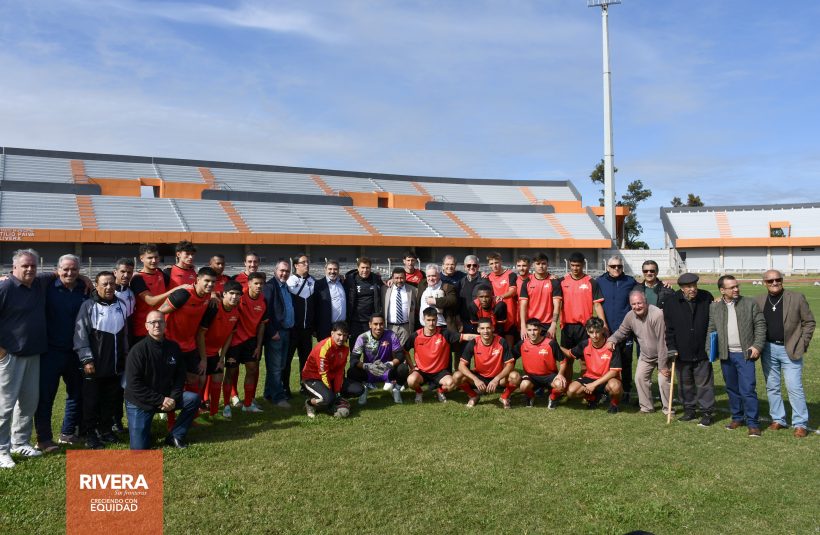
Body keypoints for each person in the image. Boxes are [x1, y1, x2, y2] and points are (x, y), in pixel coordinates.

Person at [34, 254, 87, 453]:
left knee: (76, 394)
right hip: (50, 352)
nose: (69, 273)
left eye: (74, 269)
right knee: (46, 397)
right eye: (65, 269)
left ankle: (67, 433)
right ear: (57, 270)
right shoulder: (46, 287)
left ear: (79, 271)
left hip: (75, 352)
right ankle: (44, 439)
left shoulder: (85, 289)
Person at [0, 249, 48, 468]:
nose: (30, 269)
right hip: (10, 356)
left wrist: (84, 277)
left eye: (33, 266)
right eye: (25, 266)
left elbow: (60, 273)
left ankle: (20, 443)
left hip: (33, 353)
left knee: (28, 403)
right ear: (14, 268)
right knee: (4, 406)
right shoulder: (5, 287)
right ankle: (1, 450)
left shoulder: (38, 283)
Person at [124, 311, 199, 449]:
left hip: (166, 396)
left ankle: (175, 435)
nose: (157, 325)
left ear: (165, 325)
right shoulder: (137, 351)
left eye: (160, 321)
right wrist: (160, 400)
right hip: (140, 401)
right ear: (146, 326)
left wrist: (173, 398)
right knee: (139, 450)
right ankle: (144, 433)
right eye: (153, 322)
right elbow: (134, 385)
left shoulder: (174, 347)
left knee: (193, 399)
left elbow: (180, 376)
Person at [74, 271, 132, 449]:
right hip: (95, 364)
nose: (108, 287)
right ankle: (90, 434)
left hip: (115, 364)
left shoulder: (121, 304)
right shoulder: (88, 305)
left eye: (111, 284)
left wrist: (126, 356)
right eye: (104, 284)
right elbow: (80, 334)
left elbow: (124, 334)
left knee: (110, 399)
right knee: (91, 401)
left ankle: (105, 430)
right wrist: (86, 359)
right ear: (96, 286)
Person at [754, 270, 815, 438]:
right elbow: (741, 307)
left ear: (782, 280)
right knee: (772, 386)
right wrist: (719, 299)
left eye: (778, 279)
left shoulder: (796, 297)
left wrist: (803, 343)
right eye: (770, 280)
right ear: (764, 283)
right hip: (768, 349)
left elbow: (809, 322)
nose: (774, 283)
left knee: (794, 387)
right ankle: (778, 419)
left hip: (791, 349)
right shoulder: (758, 300)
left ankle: (800, 423)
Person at [708, 275, 766, 437]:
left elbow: (760, 325)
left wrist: (757, 346)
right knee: (732, 389)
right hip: (726, 355)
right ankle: (737, 417)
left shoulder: (749, 303)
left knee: (747, 389)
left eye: (737, 286)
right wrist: (710, 350)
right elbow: (711, 328)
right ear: (722, 290)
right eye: (732, 287)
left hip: (745, 355)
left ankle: (753, 423)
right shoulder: (715, 307)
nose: (736, 289)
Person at [663, 273, 716, 427]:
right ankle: (689, 410)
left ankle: (707, 412)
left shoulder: (706, 297)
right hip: (681, 351)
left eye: (694, 285)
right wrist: (671, 347)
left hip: (702, 350)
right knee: (685, 383)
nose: (692, 289)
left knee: (704, 384)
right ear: (681, 288)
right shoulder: (671, 302)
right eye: (688, 287)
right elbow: (669, 329)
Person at [607, 291, 671, 415]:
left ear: (646, 302)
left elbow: (662, 341)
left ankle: (668, 410)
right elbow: (622, 331)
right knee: (640, 378)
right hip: (646, 355)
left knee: (663, 380)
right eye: (634, 304)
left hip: (663, 354)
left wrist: (663, 366)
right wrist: (612, 339)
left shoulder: (657, 314)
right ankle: (647, 408)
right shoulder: (630, 316)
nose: (637, 306)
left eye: (639, 303)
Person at [158, 267, 217, 398]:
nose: (210, 284)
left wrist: (214, 295)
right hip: (171, 344)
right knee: (169, 381)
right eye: (207, 281)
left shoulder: (208, 296)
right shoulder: (183, 294)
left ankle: (192, 410)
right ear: (197, 279)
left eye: (213, 282)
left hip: (189, 345)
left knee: (195, 379)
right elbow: (159, 312)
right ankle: (167, 408)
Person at [404, 307, 476, 403]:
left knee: (451, 383)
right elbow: (405, 350)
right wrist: (412, 367)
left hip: (440, 372)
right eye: (428, 320)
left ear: (437, 319)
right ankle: (419, 392)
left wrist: (482, 336)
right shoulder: (416, 335)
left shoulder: (444, 333)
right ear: (423, 319)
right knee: (411, 381)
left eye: (433, 320)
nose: (431, 323)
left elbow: (465, 336)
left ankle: (440, 391)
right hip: (422, 371)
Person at [196, 280, 242, 418]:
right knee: (200, 381)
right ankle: (194, 412)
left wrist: (222, 358)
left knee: (218, 378)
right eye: (231, 293)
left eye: (238, 294)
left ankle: (214, 412)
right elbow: (200, 333)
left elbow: (229, 336)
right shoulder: (214, 307)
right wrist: (203, 359)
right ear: (224, 294)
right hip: (200, 351)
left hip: (215, 353)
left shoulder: (236, 313)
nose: (234, 297)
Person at [559, 252, 606, 385]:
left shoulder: (591, 282)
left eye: (578, 265)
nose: (575, 268)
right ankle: (567, 387)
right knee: (567, 360)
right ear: (569, 265)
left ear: (583, 265)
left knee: (585, 361)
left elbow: (597, 305)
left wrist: (604, 325)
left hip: (585, 328)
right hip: (567, 327)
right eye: (573, 265)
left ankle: (584, 387)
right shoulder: (562, 281)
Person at [225, 272, 268, 414]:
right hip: (234, 341)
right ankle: (226, 406)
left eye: (261, 283)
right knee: (230, 372)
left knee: (252, 370)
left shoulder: (263, 300)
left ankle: (248, 404)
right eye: (256, 283)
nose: (259, 286)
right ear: (248, 284)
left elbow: (262, 325)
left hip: (251, 341)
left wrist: (258, 346)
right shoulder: (239, 295)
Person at [596, 255, 637, 403]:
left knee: (626, 362)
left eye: (619, 266)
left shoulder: (630, 281)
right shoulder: (599, 281)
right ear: (607, 267)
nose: (616, 269)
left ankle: (626, 391)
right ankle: (605, 391)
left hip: (625, 330)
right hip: (606, 330)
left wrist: (663, 284)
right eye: (613, 266)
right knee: (606, 363)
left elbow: (645, 287)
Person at [454, 317, 518, 408]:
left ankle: (505, 397)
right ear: (478, 330)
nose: (485, 331)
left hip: (499, 378)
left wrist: (496, 379)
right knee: (457, 376)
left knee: (515, 376)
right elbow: (461, 366)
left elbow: (510, 364)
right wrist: (475, 379)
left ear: (493, 328)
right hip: (480, 377)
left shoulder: (501, 341)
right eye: (482, 328)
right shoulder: (473, 343)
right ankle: (473, 395)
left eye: (488, 328)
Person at [563, 317, 622, 413]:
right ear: (587, 332)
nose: (594, 335)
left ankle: (614, 404)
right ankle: (594, 397)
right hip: (590, 377)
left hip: (607, 378)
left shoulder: (611, 345)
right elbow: (570, 354)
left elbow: (614, 372)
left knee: (615, 386)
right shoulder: (585, 344)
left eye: (597, 332)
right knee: (571, 392)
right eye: (591, 332)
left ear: (602, 330)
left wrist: (594, 384)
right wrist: (555, 345)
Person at [347, 314, 408, 405]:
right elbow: (353, 359)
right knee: (351, 371)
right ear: (370, 324)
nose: (378, 327)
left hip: (387, 370)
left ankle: (396, 389)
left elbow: (400, 355)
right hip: (369, 371)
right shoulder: (363, 337)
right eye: (375, 324)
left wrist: (389, 364)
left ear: (384, 324)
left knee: (403, 368)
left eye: (381, 324)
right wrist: (367, 366)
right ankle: (363, 389)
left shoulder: (391, 335)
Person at [130, 243, 180, 344]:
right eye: (150, 258)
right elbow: (151, 301)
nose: (154, 260)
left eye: (156, 257)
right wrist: (173, 290)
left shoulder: (161, 273)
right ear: (141, 258)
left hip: (160, 328)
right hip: (143, 330)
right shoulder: (138, 278)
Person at [302, 322, 353, 418]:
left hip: (329, 377)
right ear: (332, 333)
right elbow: (323, 374)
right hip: (312, 378)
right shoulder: (324, 347)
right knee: (328, 398)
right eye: (339, 334)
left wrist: (337, 392)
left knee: (357, 389)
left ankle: (328, 400)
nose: (341, 338)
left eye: (345, 335)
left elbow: (339, 372)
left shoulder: (345, 348)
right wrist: (331, 395)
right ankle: (309, 403)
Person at [513, 318, 567, 408]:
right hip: (531, 376)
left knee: (560, 385)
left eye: (535, 329)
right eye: (529, 330)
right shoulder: (522, 343)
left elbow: (563, 361)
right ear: (526, 331)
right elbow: (510, 358)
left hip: (549, 376)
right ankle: (531, 396)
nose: (532, 333)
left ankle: (552, 398)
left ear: (540, 330)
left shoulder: (551, 343)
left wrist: (560, 374)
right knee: (523, 386)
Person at [263, 261, 295, 405]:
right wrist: (272, 331)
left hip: (286, 331)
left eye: (287, 271)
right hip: (276, 332)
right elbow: (265, 311)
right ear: (275, 271)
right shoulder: (269, 287)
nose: (284, 273)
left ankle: (268, 393)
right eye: (282, 270)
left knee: (279, 365)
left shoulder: (285, 287)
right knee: (275, 367)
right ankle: (278, 397)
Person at [111, 258, 136, 433]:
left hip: (128, 346)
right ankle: (110, 421)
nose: (126, 275)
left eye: (129, 272)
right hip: (111, 347)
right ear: (115, 272)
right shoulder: (107, 291)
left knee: (125, 385)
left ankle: (118, 421)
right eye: (122, 272)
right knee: (112, 386)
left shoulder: (132, 293)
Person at [287, 254, 316, 392]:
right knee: (287, 360)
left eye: (307, 262)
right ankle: (285, 387)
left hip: (307, 330)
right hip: (292, 329)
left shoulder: (313, 281)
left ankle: (305, 387)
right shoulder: (289, 281)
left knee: (306, 361)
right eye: (303, 262)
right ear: (296, 265)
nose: (306, 264)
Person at [518, 252, 562, 341]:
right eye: (538, 264)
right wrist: (523, 326)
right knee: (530, 349)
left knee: (550, 349)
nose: (541, 266)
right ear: (533, 265)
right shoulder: (527, 282)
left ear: (547, 264)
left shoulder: (554, 281)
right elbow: (523, 305)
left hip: (548, 324)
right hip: (532, 324)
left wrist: (553, 325)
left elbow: (557, 305)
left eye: (543, 263)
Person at [344, 257, 384, 344]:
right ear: (358, 268)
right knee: (355, 348)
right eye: (362, 267)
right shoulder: (350, 280)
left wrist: (391, 279)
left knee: (371, 349)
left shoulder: (376, 279)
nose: (365, 270)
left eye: (367, 268)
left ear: (370, 268)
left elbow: (385, 286)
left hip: (371, 322)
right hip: (355, 322)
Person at [486, 252, 518, 346]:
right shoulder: (488, 277)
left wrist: (501, 296)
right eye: (491, 263)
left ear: (501, 262)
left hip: (510, 314)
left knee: (509, 346)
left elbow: (513, 291)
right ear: (489, 265)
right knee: (497, 346)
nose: (494, 265)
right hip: (496, 316)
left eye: (496, 262)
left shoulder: (511, 275)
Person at [416, 264, 460, 333]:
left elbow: (453, 300)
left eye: (433, 276)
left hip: (441, 327)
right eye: (428, 276)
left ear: (439, 275)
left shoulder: (447, 287)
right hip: (424, 326)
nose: (431, 278)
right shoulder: (422, 284)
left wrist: (435, 301)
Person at [313, 260, 347, 341]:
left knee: (341, 349)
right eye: (330, 269)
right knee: (325, 349)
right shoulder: (318, 284)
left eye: (335, 269)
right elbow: (314, 307)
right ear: (325, 270)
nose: (332, 271)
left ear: (338, 270)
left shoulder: (344, 283)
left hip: (342, 327)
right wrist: (314, 328)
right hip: (325, 328)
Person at [382, 267, 417, 345]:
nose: (399, 280)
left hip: (405, 327)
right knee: (389, 350)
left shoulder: (413, 290)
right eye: (396, 278)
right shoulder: (385, 289)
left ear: (405, 277)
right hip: (390, 326)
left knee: (403, 350)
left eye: (401, 278)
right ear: (392, 278)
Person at [456, 255, 483, 330]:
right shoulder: (461, 282)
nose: (471, 267)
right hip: (464, 321)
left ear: (478, 267)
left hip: (479, 321)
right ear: (465, 267)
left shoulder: (484, 280)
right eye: (468, 265)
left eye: (474, 265)